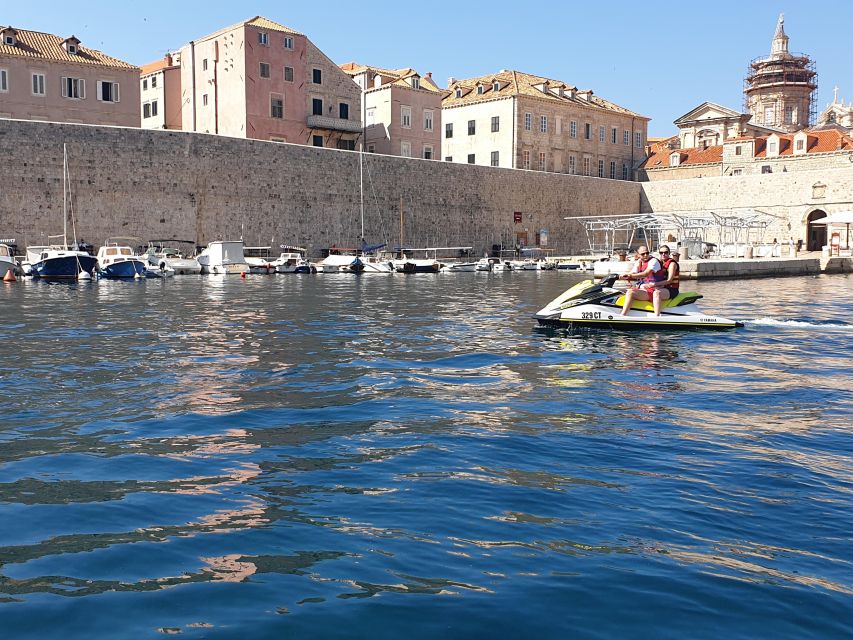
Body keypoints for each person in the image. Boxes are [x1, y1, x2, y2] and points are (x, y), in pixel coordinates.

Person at [619, 245, 664, 315]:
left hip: (653, 290)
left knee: (630, 293)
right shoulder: (639, 262)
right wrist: (622, 276)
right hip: (644, 289)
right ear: (638, 255)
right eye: (643, 254)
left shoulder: (654, 261)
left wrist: (630, 276)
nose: (646, 255)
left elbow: (645, 273)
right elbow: (632, 273)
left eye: (647, 253)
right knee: (622, 292)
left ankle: (623, 315)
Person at [650, 247, 680, 316]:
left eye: (666, 252)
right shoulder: (660, 263)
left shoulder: (672, 264)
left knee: (657, 293)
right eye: (661, 253)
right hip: (663, 287)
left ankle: (657, 316)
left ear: (669, 254)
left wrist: (654, 284)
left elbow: (669, 280)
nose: (663, 254)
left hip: (672, 290)